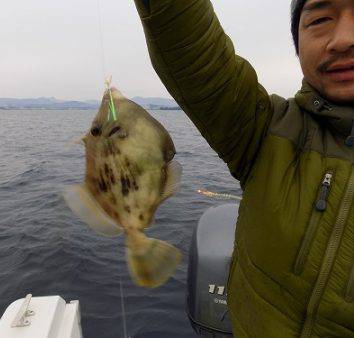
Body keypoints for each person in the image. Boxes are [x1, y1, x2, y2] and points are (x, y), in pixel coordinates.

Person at [134, 0, 354, 337]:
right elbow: (191, 49)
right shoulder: (268, 132)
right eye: (321, 19)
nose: (343, 38)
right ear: (298, 42)